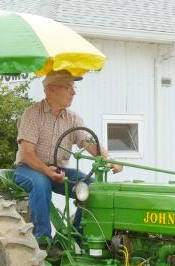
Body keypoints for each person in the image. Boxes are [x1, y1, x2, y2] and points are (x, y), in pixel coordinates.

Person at [14, 69, 122, 248]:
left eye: (73, 87)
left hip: (58, 170)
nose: (73, 92)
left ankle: (76, 234)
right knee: (41, 183)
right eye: (68, 87)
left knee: (92, 187)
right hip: (29, 169)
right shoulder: (32, 114)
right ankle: (42, 240)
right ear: (51, 90)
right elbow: (27, 153)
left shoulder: (73, 119)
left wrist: (109, 159)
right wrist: (46, 171)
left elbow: (89, 143)